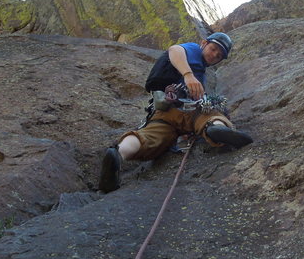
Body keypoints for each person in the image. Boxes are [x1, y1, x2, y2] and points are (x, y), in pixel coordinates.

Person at [99, 32, 252, 193]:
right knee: (210, 115)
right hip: (191, 109)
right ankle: (216, 128)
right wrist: (188, 75)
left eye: (219, 55)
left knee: (151, 135)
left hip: (165, 113)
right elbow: (174, 50)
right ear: (203, 43)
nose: (215, 55)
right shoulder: (193, 50)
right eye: (213, 49)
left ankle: (119, 153)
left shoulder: (200, 70)